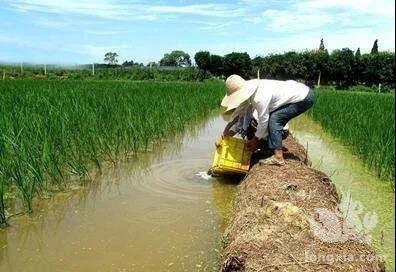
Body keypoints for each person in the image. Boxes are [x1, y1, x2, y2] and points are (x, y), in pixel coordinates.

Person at [220, 74, 315, 166]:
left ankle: (278, 157)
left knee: (275, 119)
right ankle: (270, 149)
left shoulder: (259, 98)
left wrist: (255, 140)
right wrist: (226, 131)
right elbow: (239, 113)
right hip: (300, 92)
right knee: (272, 119)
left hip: (304, 97)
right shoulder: (251, 93)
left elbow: (263, 121)